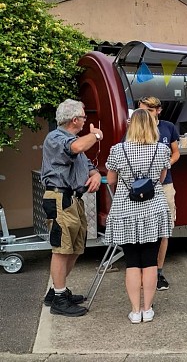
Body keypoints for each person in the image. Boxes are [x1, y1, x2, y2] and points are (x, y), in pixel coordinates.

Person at [105, 108, 172, 323]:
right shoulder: (162, 150)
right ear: (152, 126)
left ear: (130, 126)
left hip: (125, 211)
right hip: (154, 209)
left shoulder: (117, 150)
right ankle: (147, 309)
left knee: (132, 261)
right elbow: (161, 179)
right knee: (150, 261)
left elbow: (111, 180)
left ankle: (135, 311)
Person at [41, 99, 103, 317]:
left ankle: (57, 291)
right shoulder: (56, 138)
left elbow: (88, 166)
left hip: (74, 199)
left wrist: (95, 175)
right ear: (75, 119)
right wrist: (95, 135)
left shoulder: (73, 140)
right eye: (84, 117)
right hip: (60, 198)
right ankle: (59, 298)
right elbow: (75, 148)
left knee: (75, 248)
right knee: (61, 249)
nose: (86, 121)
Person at [137, 96, 180, 291]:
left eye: (148, 110)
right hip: (142, 187)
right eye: (141, 110)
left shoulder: (168, 127)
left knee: (164, 230)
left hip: (165, 184)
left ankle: (159, 272)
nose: (143, 114)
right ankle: (142, 271)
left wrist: (164, 165)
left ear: (158, 110)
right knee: (143, 229)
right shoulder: (134, 128)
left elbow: (176, 152)